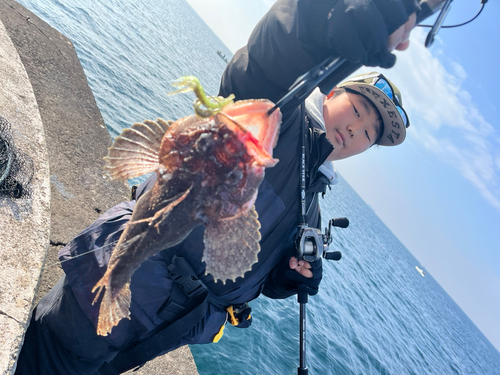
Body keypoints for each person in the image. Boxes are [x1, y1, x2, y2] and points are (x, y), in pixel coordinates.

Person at [15, 0, 418, 373]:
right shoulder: (280, 113)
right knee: (43, 356)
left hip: (167, 325)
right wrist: (317, 21)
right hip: (133, 276)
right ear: (331, 92)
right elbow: (266, 64)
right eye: (360, 109)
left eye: (370, 133)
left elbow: (257, 270)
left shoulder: (311, 201)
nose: (356, 128)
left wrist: (291, 277)